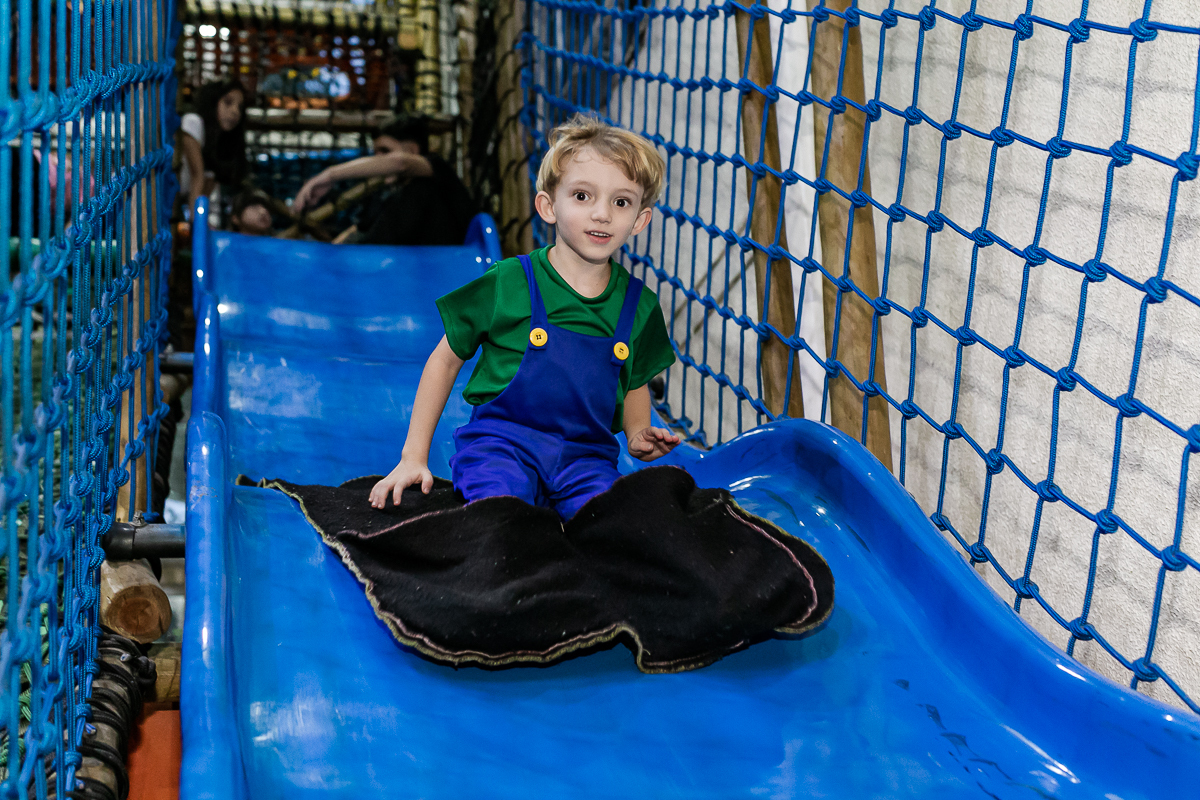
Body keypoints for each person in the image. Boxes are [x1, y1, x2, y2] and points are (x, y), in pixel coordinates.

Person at [368, 114, 680, 521]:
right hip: (501, 446)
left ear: (640, 218)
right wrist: (413, 457)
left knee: (614, 524)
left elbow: (634, 378)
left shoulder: (639, 304)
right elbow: (445, 361)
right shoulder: (510, 282)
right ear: (548, 207)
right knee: (503, 514)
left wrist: (638, 434)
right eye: (583, 196)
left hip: (586, 458)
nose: (602, 214)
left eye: (621, 202)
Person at [290, 115, 477, 246]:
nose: (379, 161)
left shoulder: (438, 173)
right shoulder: (385, 199)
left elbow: (401, 163)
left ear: (412, 150)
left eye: (385, 152)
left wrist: (329, 175)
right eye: (376, 154)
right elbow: (359, 230)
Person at [177, 78, 248, 217]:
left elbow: (204, 196)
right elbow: (197, 175)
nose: (235, 112)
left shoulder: (218, 146)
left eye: (240, 107)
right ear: (213, 102)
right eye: (228, 102)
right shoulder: (193, 122)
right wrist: (197, 226)